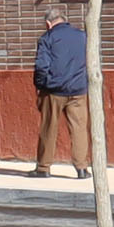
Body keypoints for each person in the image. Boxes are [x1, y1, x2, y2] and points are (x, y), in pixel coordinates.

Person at [32, 11, 91, 176]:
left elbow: (41, 65)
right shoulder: (82, 36)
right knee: (79, 129)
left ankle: (43, 168)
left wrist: (40, 84)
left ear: (48, 23)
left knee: (48, 128)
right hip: (78, 90)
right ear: (64, 20)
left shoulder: (47, 38)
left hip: (53, 90)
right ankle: (81, 168)